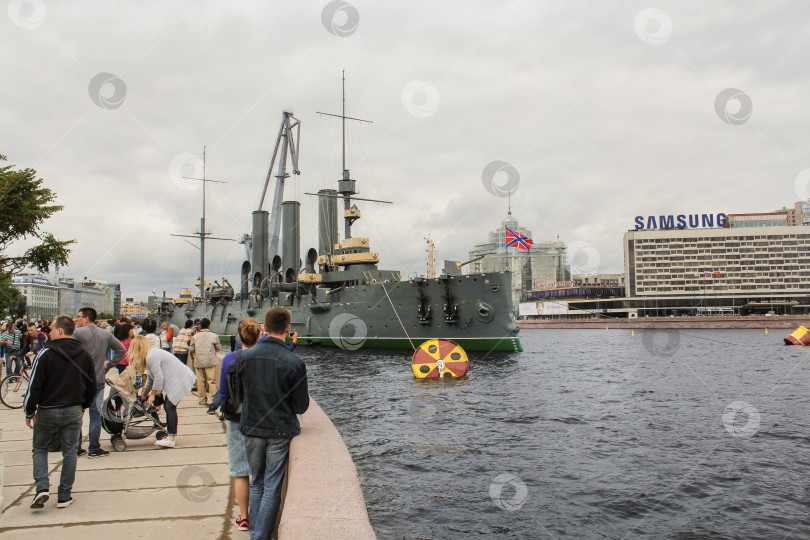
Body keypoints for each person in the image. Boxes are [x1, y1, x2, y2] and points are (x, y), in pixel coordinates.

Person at [237, 307, 309, 539]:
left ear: (264, 328)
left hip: (251, 427)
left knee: (256, 482)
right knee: (272, 486)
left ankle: (255, 533)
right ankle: (259, 536)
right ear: (288, 329)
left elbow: (239, 396)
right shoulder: (295, 362)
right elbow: (301, 407)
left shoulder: (245, 357)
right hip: (279, 431)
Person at [24, 315, 96, 510]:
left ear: (60, 331)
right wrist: (84, 406)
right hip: (73, 409)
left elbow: (34, 386)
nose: (48, 332)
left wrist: (29, 411)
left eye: (52, 329)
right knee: (70, 452)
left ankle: (42, 488)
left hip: (48, 409)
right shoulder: (84, 354)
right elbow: (92, 384)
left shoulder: (45, 353)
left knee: (39, 448)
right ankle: (64, 495)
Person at [218, 318, 261, 531]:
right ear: (259, 335)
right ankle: (262, 516)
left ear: (238, 336)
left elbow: (223, 392)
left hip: (236, 418)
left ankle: (244, 517)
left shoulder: (229, 358)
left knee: (240, 470)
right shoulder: (264, 357)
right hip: (262, 419)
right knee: (261, 471)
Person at [73, 307, 126, 458]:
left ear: (86, 319)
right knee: (95, 414)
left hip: (80, 380)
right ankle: (94, 447)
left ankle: (76, 446)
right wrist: (109, 365)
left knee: (78, 413)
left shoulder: (77, 333)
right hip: (98, 379)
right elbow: (121, 350)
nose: (77, 320)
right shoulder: (106, 334)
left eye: (79, 317)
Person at [129, 335, 196, 448]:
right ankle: (170, 436)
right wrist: (144, 396)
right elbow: (151, 379)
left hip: (180, 379)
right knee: (169, 406)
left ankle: (171, 438)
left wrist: (153, 395)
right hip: (179, 378)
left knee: (170, 406)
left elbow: (159, 378)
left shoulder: (152, 356)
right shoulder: (150, 356)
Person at [190, 318, 221, 406]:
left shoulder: (195, 336)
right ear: (209, 325)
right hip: (210, 362)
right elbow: (219, 348)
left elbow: (191, 349)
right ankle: (212, 400)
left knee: (200, 381)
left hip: (199, 361)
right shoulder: (214, 336)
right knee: (211, 381)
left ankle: (202, 400)